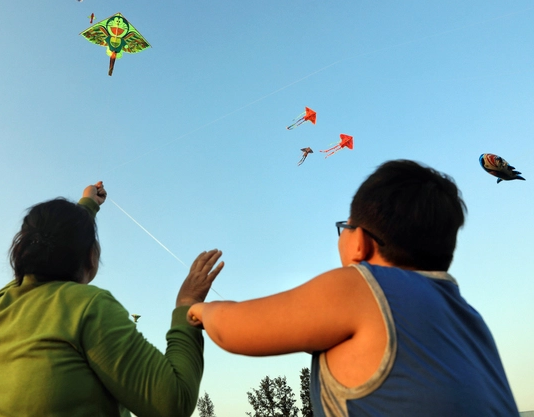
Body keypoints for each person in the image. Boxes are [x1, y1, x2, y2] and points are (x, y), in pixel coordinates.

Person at [187, 160, 518, 416]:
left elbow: (239, 329)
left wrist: (200, 308)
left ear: (359, 242)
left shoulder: (361, 286)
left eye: (343, 227)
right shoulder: (471, 322)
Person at [0, 181, 224, 417]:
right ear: (89, 256)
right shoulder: (87, 306)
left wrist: (88, 205)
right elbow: (174, 402)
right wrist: (187, 305)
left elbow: (50, 242)